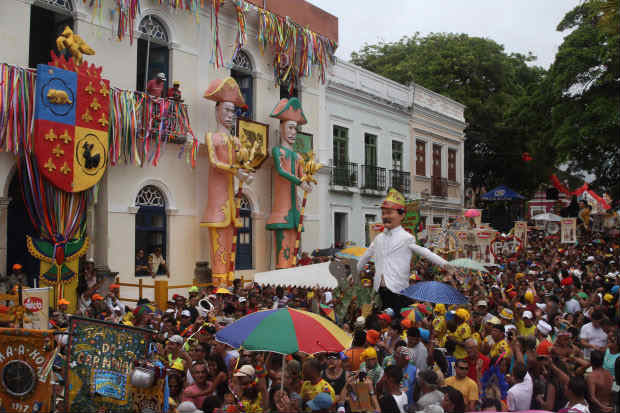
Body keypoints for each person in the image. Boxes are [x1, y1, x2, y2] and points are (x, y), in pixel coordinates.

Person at [357, 188, 449, 310]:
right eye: (383, 213)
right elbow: (365, 256)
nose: (385, 216)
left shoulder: (406, 238)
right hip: (379, 291)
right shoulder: (378, 238)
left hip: (398, 292)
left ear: (402, 215)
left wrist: (446, 264)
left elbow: (424, 252)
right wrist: (353, 273)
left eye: (389, 213)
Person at [201, 77, 254, 287]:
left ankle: (229, 280)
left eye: (233, 111)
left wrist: (246, 171)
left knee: (231, 241)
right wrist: (237, 172)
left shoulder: (236, 140)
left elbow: (243, 161)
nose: (231, 115)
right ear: (217, 111)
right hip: (217, 202)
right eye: (227, 110)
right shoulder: (212, 137)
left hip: (232, 200)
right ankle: (219, 283)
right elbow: (214, 163)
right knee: (219, 245)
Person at [266, 98, 314, 269]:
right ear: (281, 129)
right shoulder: (278, 151)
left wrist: (308, 181)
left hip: (294, 210)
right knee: (283, 252)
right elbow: (281, 171)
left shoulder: (298, 157)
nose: (293, 132)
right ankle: (281, 280)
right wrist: (301, 182)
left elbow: (304, 176)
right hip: (282, 209)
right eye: (290, 128)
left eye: (295, 128)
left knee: (293, 252)